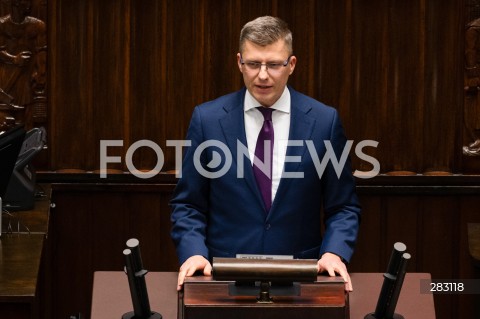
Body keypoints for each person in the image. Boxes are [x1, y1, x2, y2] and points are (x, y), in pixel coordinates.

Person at [170, 16, 361, 292]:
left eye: (273, 64)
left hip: (301, 280)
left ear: (291, 65)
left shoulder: (324, 121)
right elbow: (188, 204)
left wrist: (333, 252)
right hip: (223, 279)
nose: (262, 75)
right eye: (253, 64)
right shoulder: (207, 120)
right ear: (239, 62)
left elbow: (343, 206)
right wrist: (193, 252)